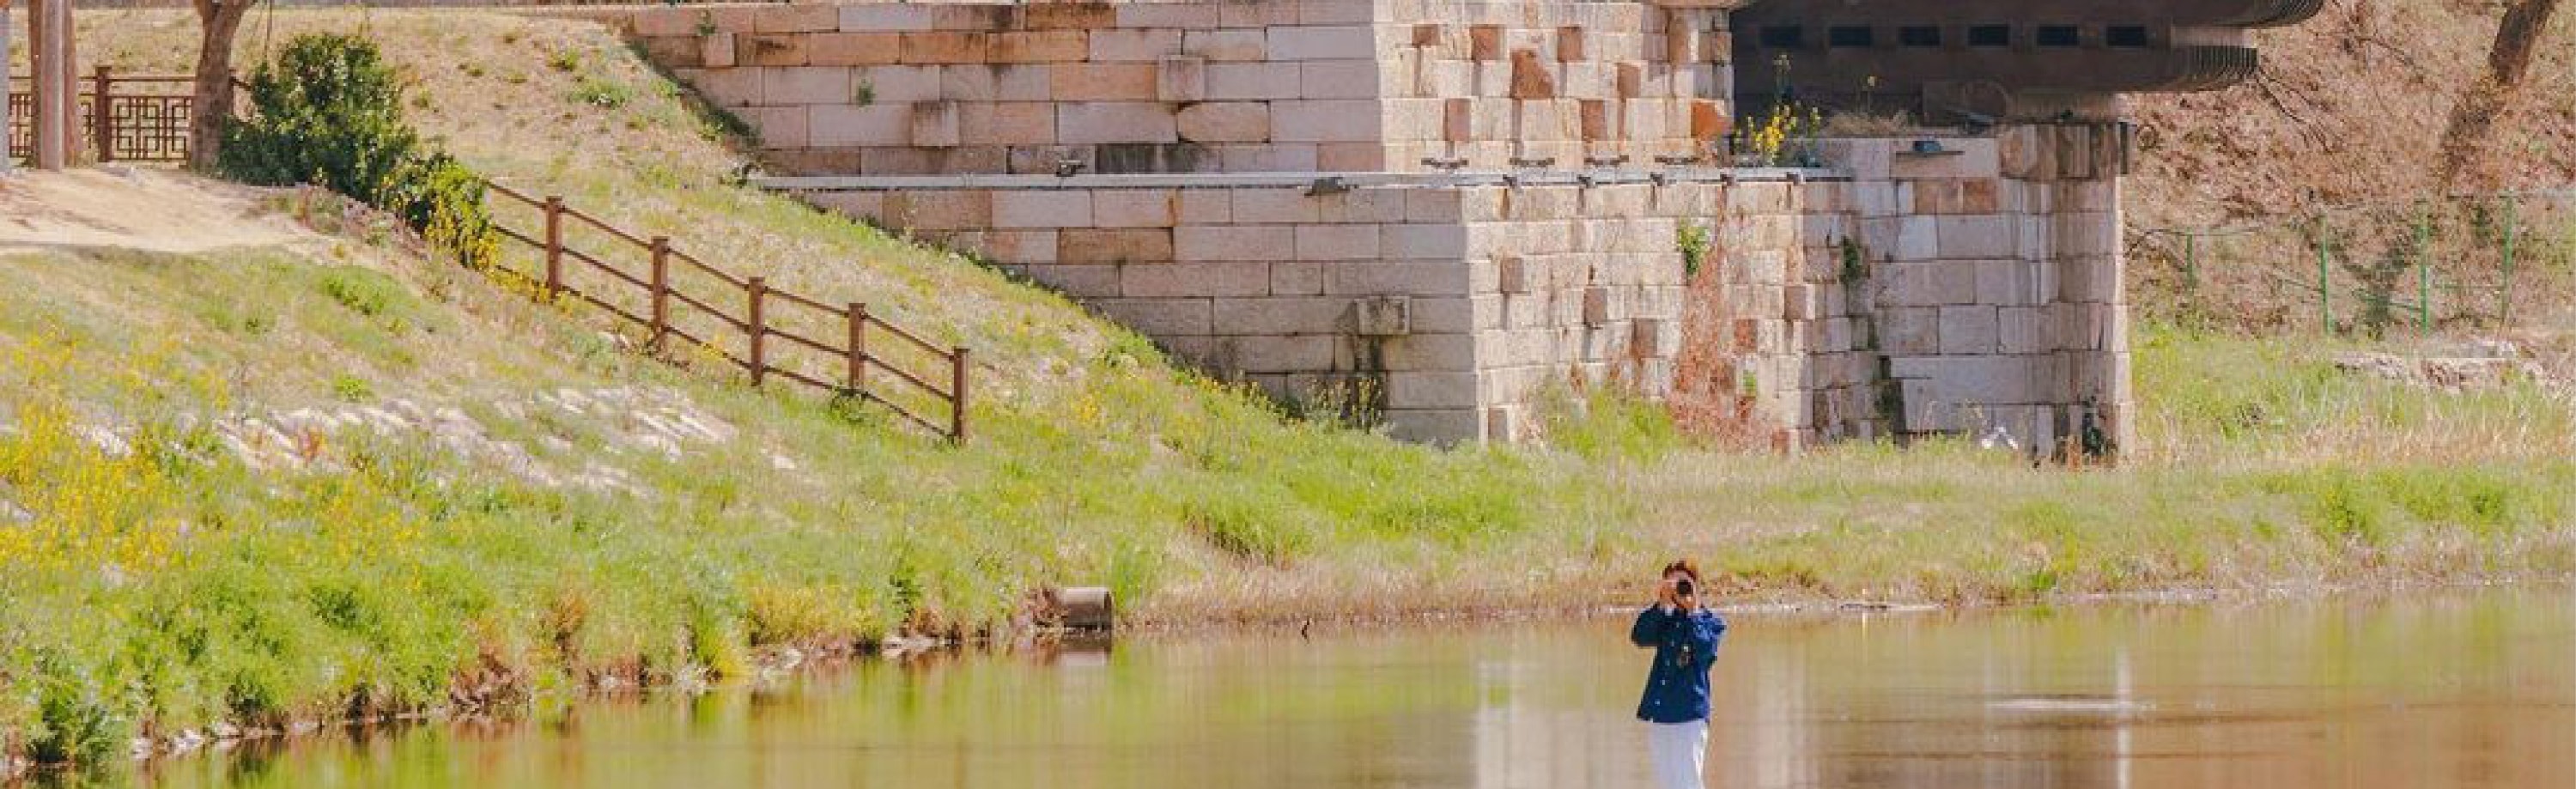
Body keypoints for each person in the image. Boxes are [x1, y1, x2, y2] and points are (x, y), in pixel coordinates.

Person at [1630, 558, 1727, 789]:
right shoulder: (1665, 618)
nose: (1680, 589)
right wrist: (1662, 604)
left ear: (1696, 586)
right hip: (1661, 711)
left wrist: (1693, 612)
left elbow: (1706, 652)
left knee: (1688, 780)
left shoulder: (1709, 622)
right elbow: (1639, 637)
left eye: (1685, 583)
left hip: (1690, 714)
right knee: (1666, 781)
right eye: (1674, 582)